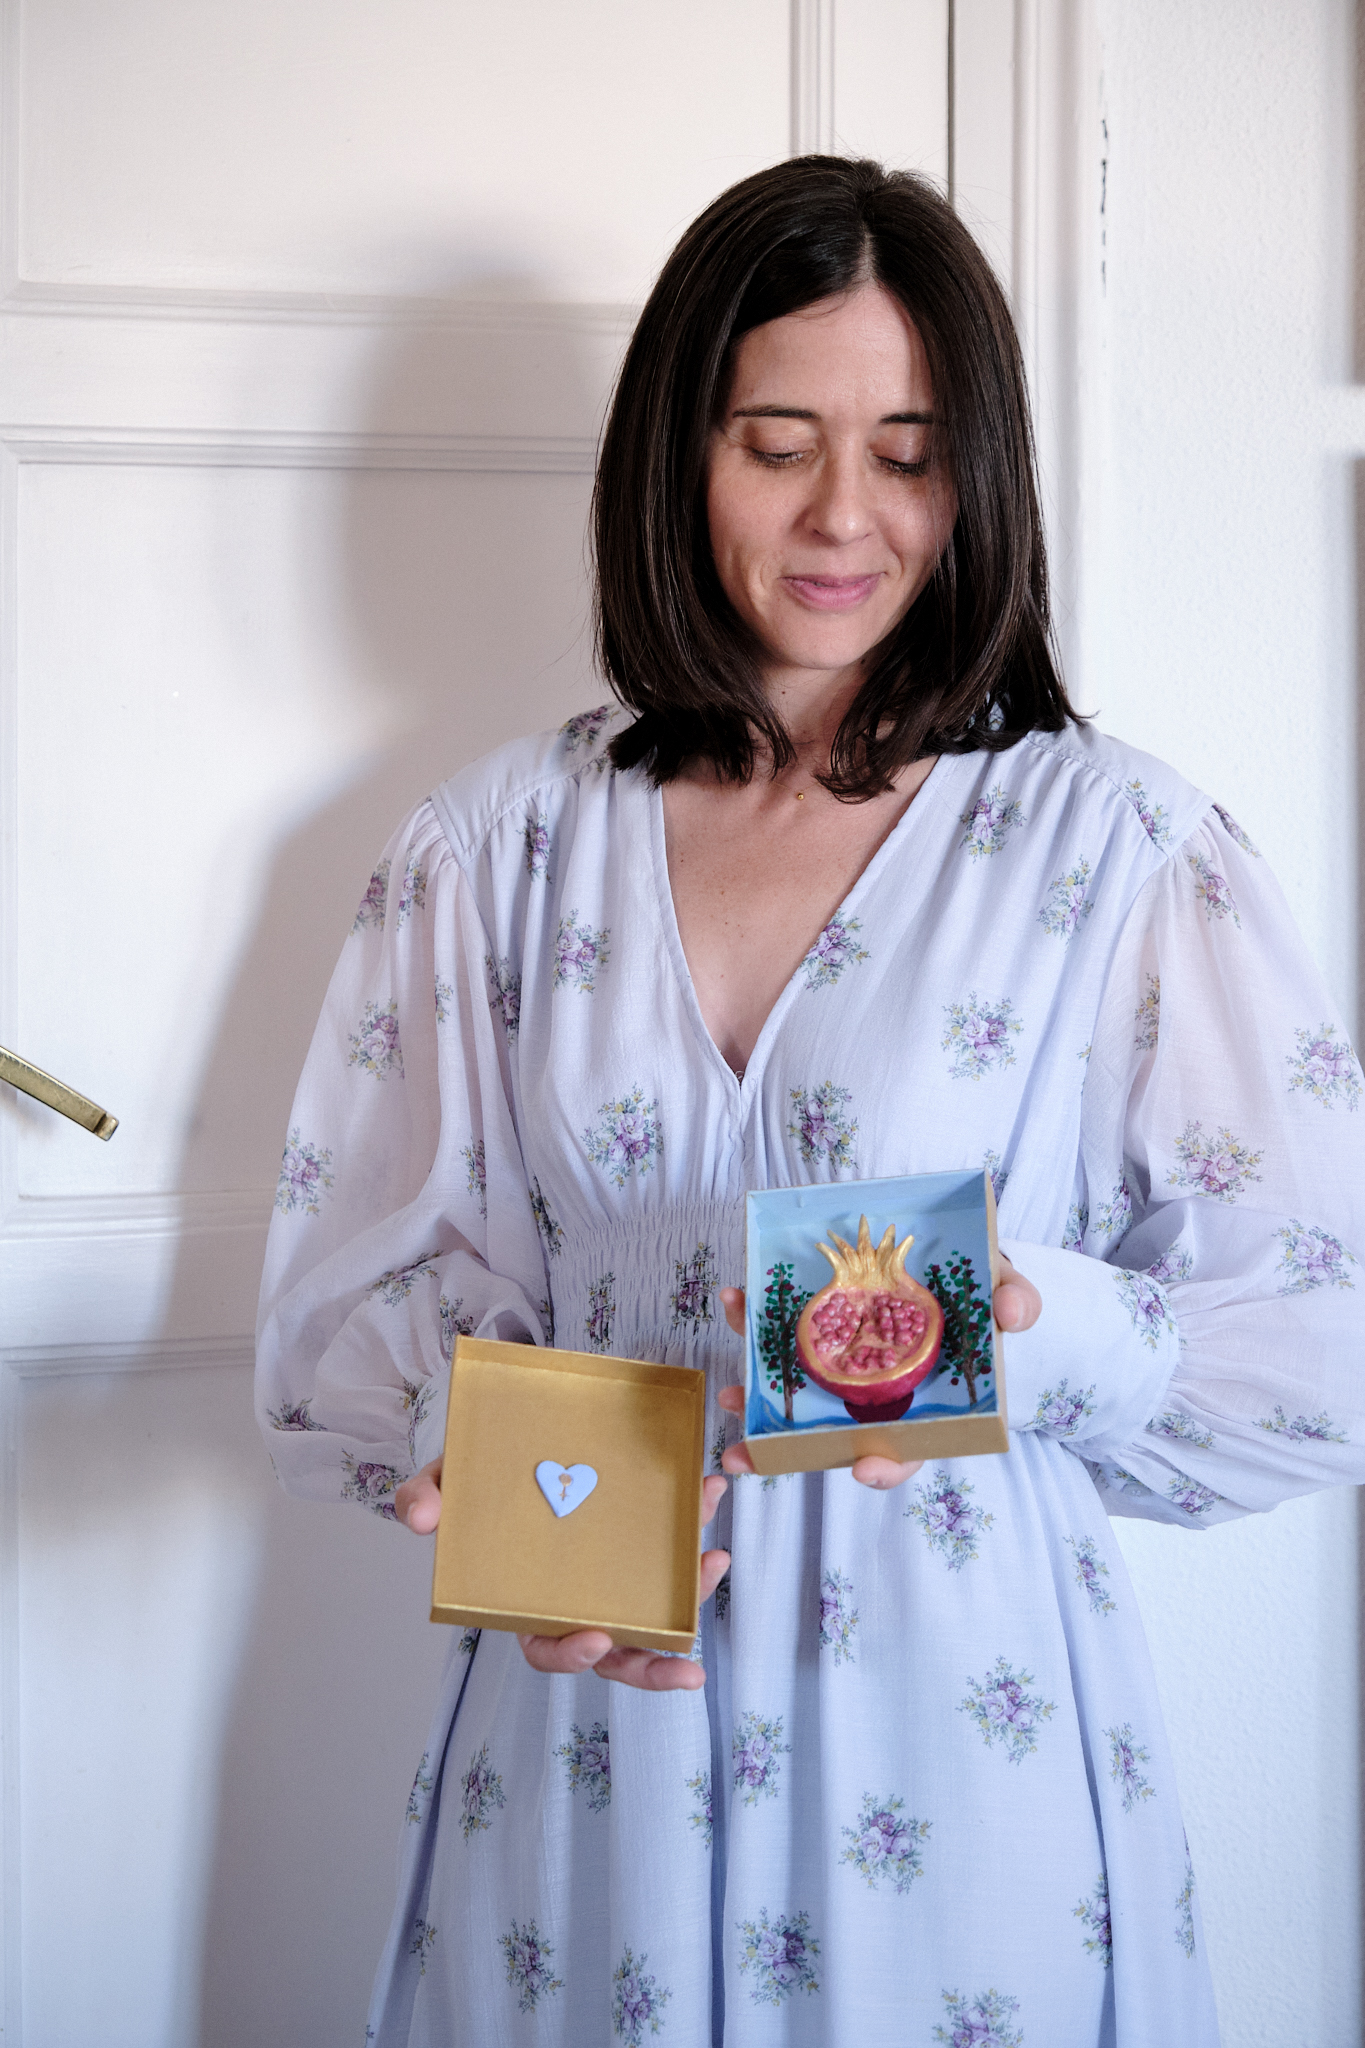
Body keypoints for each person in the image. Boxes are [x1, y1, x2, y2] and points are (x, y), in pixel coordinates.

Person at [255, 156, 1364, 2046]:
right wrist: (498, 1495)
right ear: (678, 457)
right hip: (593, 1728)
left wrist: (1030, 1321)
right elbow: (363, 1308)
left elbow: (1316, 1340)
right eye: (777, 445)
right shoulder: (497, 848)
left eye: (908, 453)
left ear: (978, 477)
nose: (845, 513)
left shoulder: (1115, 847)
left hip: (961, 1744)